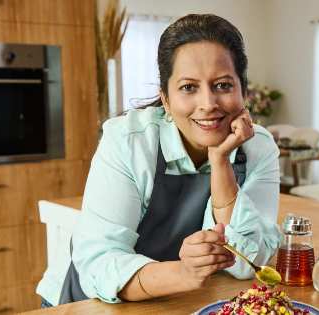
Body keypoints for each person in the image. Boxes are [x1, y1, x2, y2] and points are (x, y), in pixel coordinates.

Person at [36, 13, 281, 307]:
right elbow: (99, 265)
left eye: (223, 85)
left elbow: (247, 264)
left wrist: (220, 162)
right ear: (165, 98)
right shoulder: (129, 140)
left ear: (243, 90)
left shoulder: (258, 147)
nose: (208, 104)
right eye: (189, 87)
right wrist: (183, 272)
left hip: (176, 301)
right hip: (92, 302)